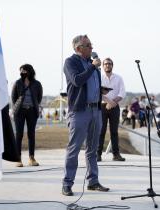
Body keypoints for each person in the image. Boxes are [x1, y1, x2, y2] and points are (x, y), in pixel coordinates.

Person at [62, 35, 109, 196]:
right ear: (78, 48)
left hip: (96, 111)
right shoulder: (71, 62)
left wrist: (100, 90)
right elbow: (76, 81)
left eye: (91, 45)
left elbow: (90, 83)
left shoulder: (91, 64)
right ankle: (67, 183)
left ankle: (93, 181)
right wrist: (92, 67)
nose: (92, 48)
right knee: (74, 148)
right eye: (88, 45)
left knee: (93, 149)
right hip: (80, 112)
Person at [11, 64, 43, 167]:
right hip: (19, 111)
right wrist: (18, 107)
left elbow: (39, 97)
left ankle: (31, 158)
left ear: (29, 71)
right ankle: (18, 159)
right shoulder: (17, 83)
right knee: (19, 135)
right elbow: (13, 98)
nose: (22, 73)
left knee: (31, 134)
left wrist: (33, 106)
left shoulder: (37, 84)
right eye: (21, 71)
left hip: (32, 111)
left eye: (24, 71)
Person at [97, 57, 126, 162]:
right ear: (103, 66)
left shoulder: (119, 78)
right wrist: (108, 102)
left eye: (109, 64)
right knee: (101, 131)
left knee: (114, 131)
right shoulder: (99, 77)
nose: (107, 65)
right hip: (102, 106)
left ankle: (116, 155)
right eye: (105, 64)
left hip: (115, 106)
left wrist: (113, 102)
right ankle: (98, 154)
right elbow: (97, 92)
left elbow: (122, 93)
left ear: (112, 65)